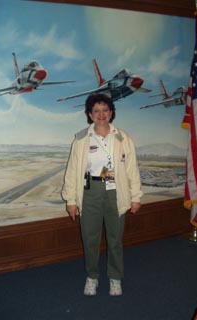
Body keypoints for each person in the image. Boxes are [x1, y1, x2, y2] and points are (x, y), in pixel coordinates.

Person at [62, 93, 143, 296]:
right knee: (90, 238)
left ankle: (115, 277)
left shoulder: (123, 138)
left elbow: (132, 169)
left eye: (105, 110)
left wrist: (136, 197)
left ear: (111, 112)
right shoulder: (81, 139)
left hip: (116, 190)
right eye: (96, 110)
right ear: (90, 114)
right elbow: (72, 171)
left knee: (115, 238)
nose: (101, 114)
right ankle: (92, 277)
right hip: (90, 192)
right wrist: (71, 201)